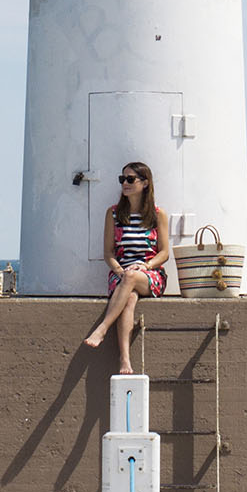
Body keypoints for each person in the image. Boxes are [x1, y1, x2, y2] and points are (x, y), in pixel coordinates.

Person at [83, 160, 170, 374]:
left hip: (150, 274)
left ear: (145, 183)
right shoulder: (113, 214)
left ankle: (102, 329)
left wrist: (146, 265)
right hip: (121, 273)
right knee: (129, 300)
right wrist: (120, 270)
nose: (125, 183)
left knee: (131, 278)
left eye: (131, 179)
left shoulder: (158, 215)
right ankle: (125, 361)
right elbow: (109, 253)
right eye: (123, 179)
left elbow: (165, 253)